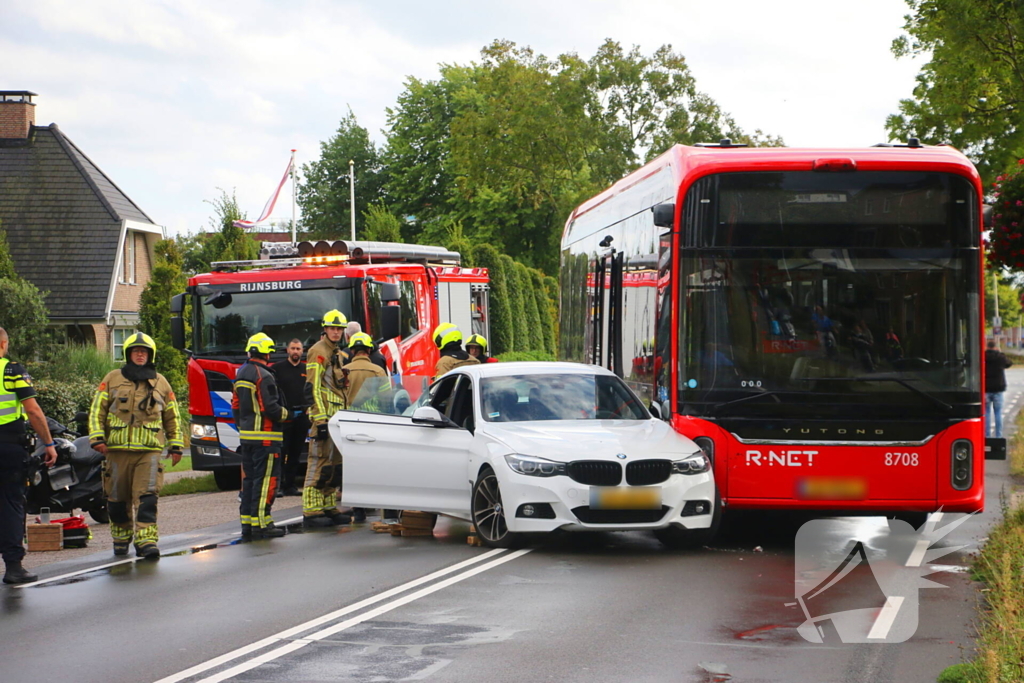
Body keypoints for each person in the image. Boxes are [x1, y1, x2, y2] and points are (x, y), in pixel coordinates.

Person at [88, 332, 183, 559]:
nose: (140, 355)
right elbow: (96, 410)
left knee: (147, 497)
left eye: (144, 352)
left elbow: (173, 415)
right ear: (128, 354)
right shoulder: (111, 378)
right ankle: (121, 540)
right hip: (116, 452)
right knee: (117, 499)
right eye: (136, 351)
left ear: (150, 355)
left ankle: (146, 541)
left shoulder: (160, 382)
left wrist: (176, 444)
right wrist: (97, 439)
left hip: (149, 452)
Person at [0, 327, 57, 584]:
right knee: (11, 504)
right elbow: (32, 410)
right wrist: (49, 443)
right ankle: (13, 567)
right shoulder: (11, 370)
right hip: (8, 447)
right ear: (3, 344)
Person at [232, 333, 288, 540]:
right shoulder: (263, 375)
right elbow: (271, 408)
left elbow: (235, 406)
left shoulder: (241, 373)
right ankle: (262, 524)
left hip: (247, 438)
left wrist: (244, 427)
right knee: (267, 481)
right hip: (266, 438)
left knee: (249, 482)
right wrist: (288, 415)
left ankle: (248, 524)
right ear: (267, 352)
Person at [301, 310, 352, 528]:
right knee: (319, 462)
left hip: (338, 418)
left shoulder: (338, 353)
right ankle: (311, 511)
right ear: (325, 329)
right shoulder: (317, 352)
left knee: (335, 464)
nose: (336, 332)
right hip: (325, 418)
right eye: (332, 328)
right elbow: (312, 387)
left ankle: (329, 506)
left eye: (339, 329)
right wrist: (320, 420)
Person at [272, 339, 308, 497]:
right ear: (287, 350)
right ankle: (278, 486)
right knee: (281, 452)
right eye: (293, 348)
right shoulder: (277, 369)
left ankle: (290, 486)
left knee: (295, 453)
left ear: (302, 351)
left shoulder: (306, 369)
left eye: (298, 349)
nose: (295, 351)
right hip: (284, 416)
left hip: (302, 417)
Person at [985, 339, 1013, 438]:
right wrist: (1000, 352)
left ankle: (986, 436)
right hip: (998, 388)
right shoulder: (1000, 357)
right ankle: (998, 436)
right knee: (998, 413)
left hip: (986, 388)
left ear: (987, 346)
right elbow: (1009, 363)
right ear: (995, 346)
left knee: (986, 413)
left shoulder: (983, 356)